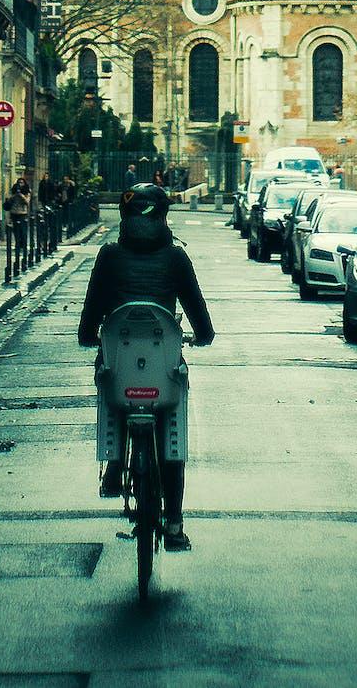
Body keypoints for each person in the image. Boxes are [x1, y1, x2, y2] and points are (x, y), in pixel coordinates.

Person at [78, 182, 214, 551]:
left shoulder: (109, 255)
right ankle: (173, 523)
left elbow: (93, 305)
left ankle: (114, 463)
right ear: (164, 215)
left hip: (120, 354)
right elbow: (195, 305)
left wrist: (88, 335)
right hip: (163, 356)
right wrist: (204, 335)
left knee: (110, 381)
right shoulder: (175, 257)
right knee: (172, 429)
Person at [5, 174, 31, 258]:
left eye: (22, 183)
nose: (20, 184)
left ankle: (23, 245)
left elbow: (27, 202)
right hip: (14, 213)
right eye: (19, 182)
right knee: (15, 230)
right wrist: (14, 195)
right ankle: (18, 244)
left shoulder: (27, 192)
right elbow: (9, 201)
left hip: (22, 213)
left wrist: (21, 195)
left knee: (23, 230)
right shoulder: (14, 191)